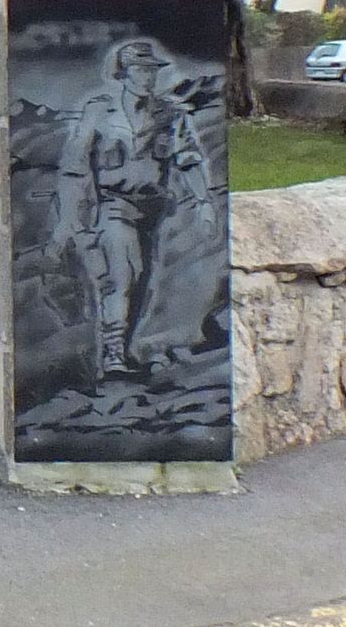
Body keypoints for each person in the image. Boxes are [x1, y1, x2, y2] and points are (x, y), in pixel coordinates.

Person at [47, 37, 218, 376]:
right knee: (122, 274)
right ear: (123, 74)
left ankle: (125, 350)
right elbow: (75, 166)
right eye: (140, 70)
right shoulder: (99, 112)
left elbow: (188, 159)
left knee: (143, 281)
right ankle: (113, 354)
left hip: (153, 209)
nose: (147, 77)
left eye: (151, 71)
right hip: (113, 205)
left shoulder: (170, 113)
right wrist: (69, 218)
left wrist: (203, 202)